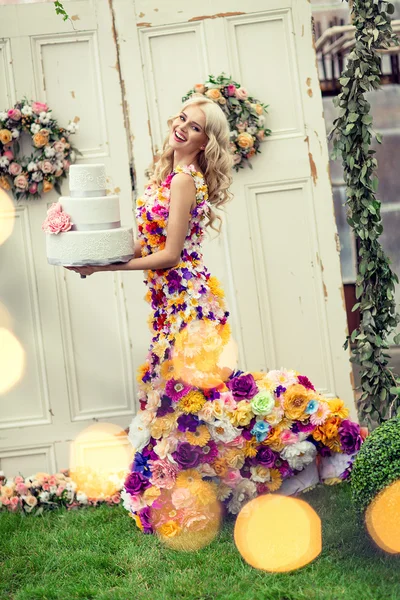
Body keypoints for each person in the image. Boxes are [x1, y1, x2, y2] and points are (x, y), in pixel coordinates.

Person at [67, 94, 362, 536]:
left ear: (206, 142)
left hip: (189, 304)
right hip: (169, 305)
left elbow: (168, 256)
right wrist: (92, 256)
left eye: (196, 126)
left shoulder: (185, 179)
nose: (183, 127)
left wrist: (105, 268)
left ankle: (316, 427)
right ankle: (227, 486)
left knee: (207, 396)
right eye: (182, 118)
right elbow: (147, 242)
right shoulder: (164, 175)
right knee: (199, 400)